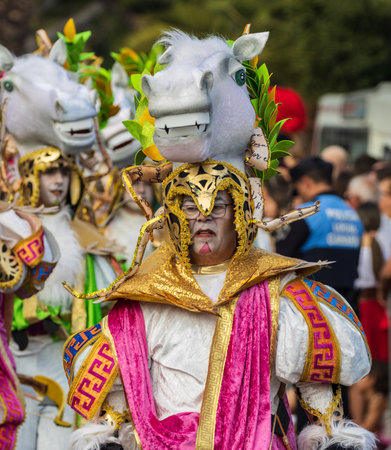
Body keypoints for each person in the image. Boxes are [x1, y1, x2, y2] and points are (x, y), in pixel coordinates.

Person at [64, 31, 374, 450]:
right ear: (173, 215)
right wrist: (109, 434)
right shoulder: (144, 298)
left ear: (242, 214)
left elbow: (318, 396)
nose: (204, 218)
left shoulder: (281, 295)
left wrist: (329, 435)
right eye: (190, 207)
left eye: (218, 207)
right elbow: (117, 394)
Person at [10, 148, 120, 450]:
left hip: (62, 362)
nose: (58, 180)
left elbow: (101, 311)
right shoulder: (8, 229)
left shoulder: (86, 238)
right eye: (48, 171)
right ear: (31, 175)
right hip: (12, 359)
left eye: (63, 171)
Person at [275, 156, 364, 310]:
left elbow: (279, 258)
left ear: (306, 182)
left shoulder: (306, 214)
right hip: (347, 308)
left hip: (312, 305)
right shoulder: (353, 214)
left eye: (297, 188)